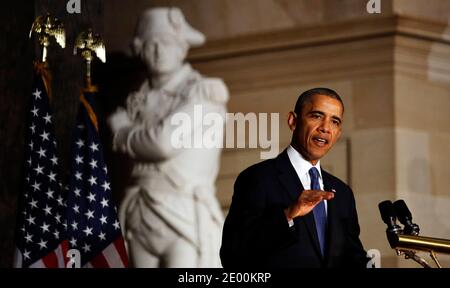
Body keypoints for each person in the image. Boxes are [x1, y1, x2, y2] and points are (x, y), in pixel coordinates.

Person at [108, 7, 228, 267]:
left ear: (182, 48)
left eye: (167, 43)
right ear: (141, 49)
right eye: (152, 43)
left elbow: (163, 143)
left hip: (182, 214)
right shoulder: (137, 100)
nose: (159, 51)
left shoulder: (203, 93)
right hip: (140, 212)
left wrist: (122, 132)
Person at [220, 88, 369, 268]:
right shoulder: (258, 178)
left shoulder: (343, 193)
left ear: (338, 132)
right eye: (316, 116)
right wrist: (288, 215)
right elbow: (233, 254)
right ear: (293, 121)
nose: (325, 128)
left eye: (334, 121)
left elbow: (353, 257)